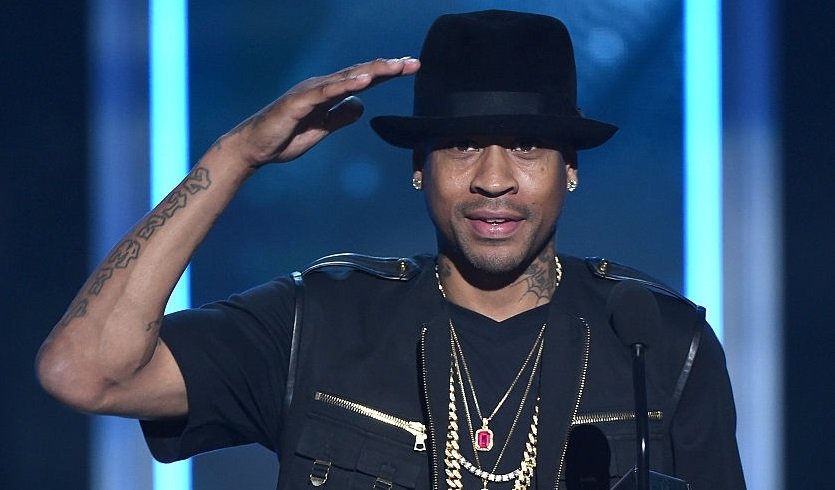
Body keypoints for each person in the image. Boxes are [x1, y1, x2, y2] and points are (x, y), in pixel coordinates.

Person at [36, 9, 746, 490]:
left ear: (570, 169)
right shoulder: (316, 322)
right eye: (461, 146)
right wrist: (234, 156)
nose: (494, 179)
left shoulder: (659, 343)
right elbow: (85, 372)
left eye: (527, 146)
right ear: (417, 168)